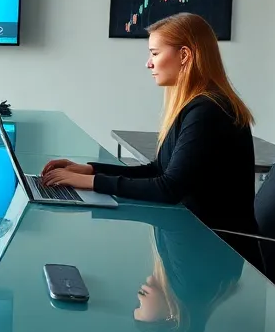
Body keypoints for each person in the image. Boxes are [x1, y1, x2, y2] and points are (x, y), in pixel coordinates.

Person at [42, 12, 258, 239]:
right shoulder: (195, 105)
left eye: (155, 53)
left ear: (184, 55)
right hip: (194, 233)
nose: (149, 63)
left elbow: (169, 189)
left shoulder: (209, 110)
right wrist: (91, 170)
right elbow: (158, 171)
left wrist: (90, 183)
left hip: (217, 247)